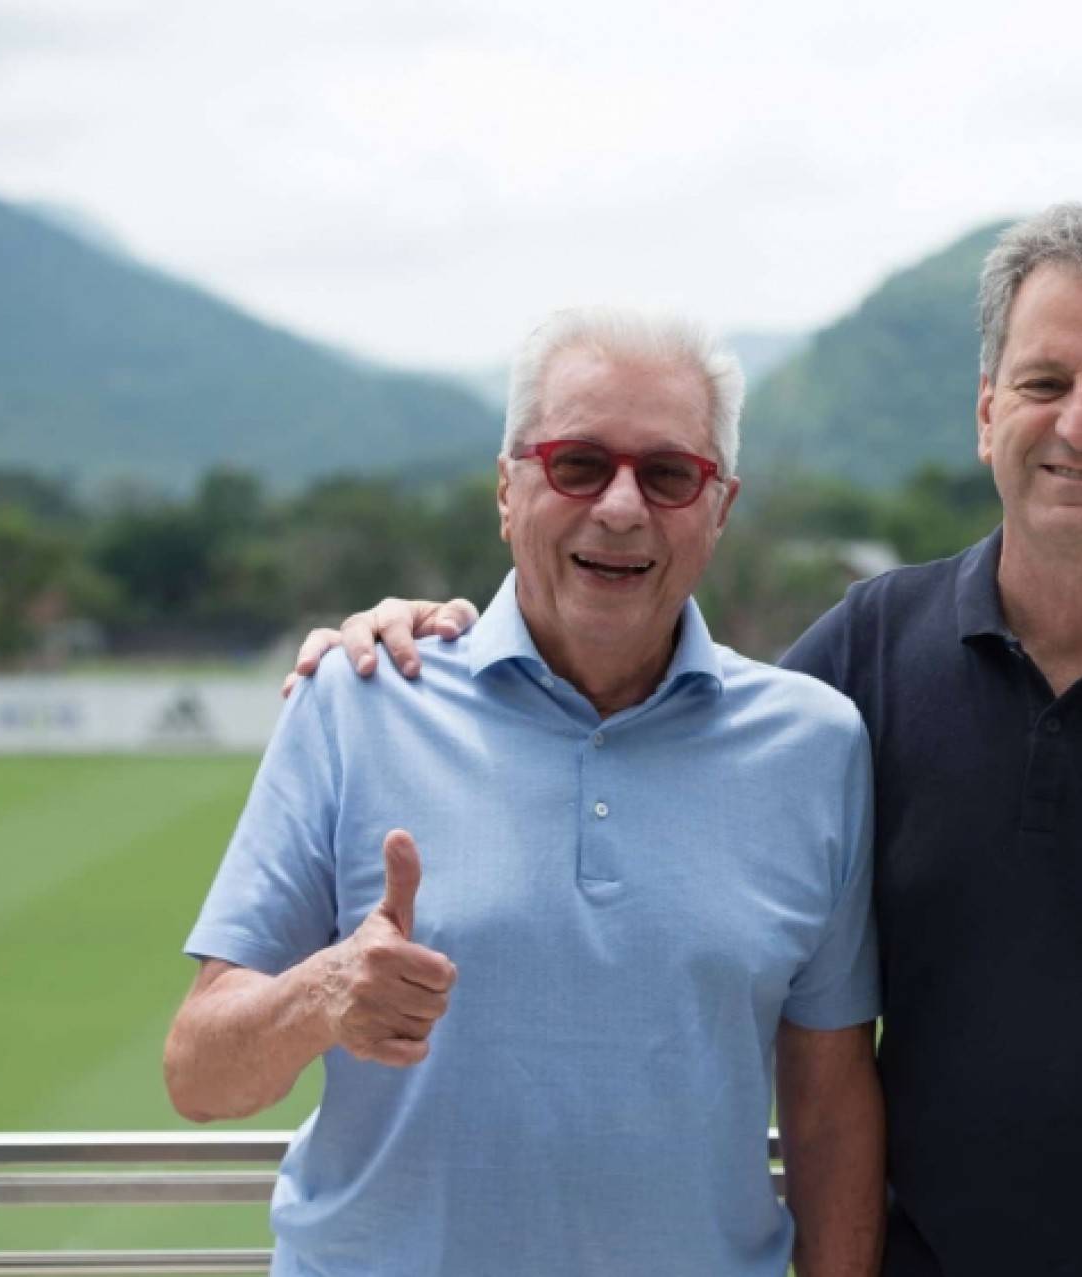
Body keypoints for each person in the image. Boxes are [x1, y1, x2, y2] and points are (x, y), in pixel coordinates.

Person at [301, 204, 1082, 1275]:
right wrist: (444, 634)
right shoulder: (867, 649)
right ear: (986, 412)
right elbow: (653, 711)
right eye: (1045, 378)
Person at [167, 309, 885, 1277]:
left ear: (719, 507)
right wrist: (323, 993)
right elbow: (199, 1072)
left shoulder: (815, 744)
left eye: (670, 474)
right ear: (508, 490)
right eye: (578, 463)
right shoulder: (360, 696)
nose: (622, 506)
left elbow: (830, 1100)